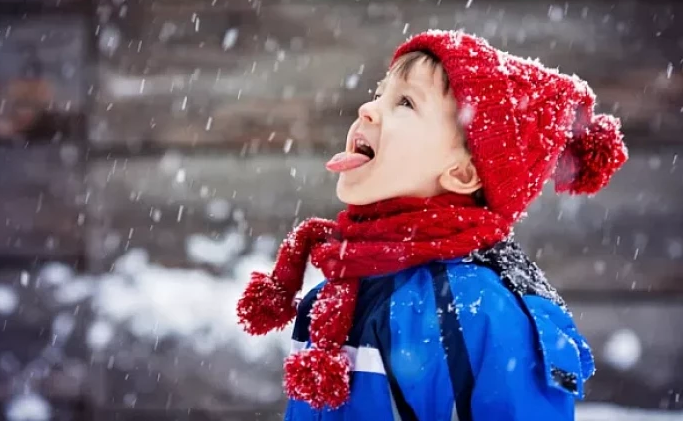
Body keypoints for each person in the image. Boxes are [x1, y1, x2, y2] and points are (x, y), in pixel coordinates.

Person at [236, 30, 628, 420]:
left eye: (405, 102)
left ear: (462, 173)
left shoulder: (483, 311)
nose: (367, 109)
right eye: (379, 94)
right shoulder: (334, 296)